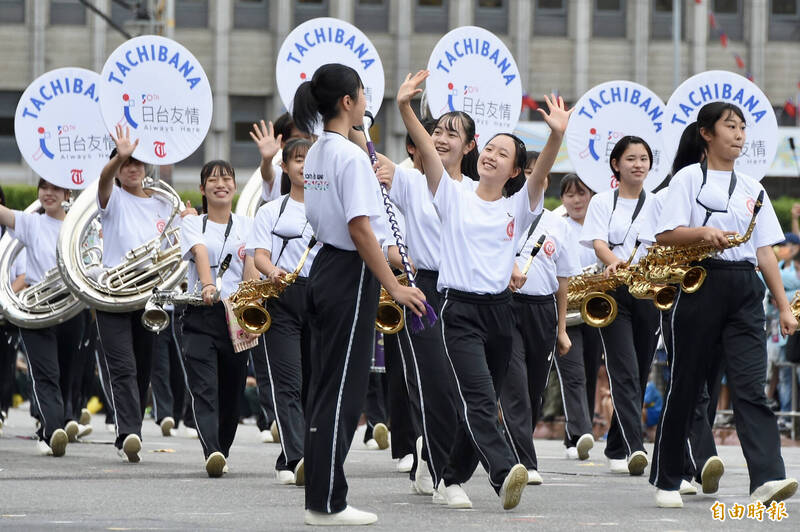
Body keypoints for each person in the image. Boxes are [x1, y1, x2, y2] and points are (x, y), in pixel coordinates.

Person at [397, 69, 568, 510]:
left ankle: (449, 478)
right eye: (489, 148)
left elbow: (543, 171)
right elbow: (432, 158)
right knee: (476, 397)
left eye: (503, 153)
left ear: (515, 170)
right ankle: (501, 470)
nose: (492, 155)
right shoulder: (453, 194)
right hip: (460, 313)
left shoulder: (519, 206)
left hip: (500, 314)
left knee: (485, 401)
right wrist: (405, 110)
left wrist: (555, 137)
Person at [292, 63, 426, 526]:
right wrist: (395, 286)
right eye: (363, 94)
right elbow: (360, 227)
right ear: (348, 102)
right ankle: (327, 502)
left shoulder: (317, 152)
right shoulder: (348, 157)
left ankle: (321, 498)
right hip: (349, 272)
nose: (367, 101)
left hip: (327, 267)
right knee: (343, 393)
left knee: (326, 389)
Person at [649, 102, 799, 508]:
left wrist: (784, 307)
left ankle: (767, 478)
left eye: (742, 128)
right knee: (687, 385)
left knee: (751, 386)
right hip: (699, 282)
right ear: (706, 133)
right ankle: (668, 477)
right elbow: (665, 233)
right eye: (730, 126)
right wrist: (702, 233)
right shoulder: (686, 179)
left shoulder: (754, 188)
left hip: (745, 289)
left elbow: (765, 252)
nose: (739, 135)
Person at [373, 112, 479, 497]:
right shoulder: (411, 182)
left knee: (463, 388)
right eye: (436, 131)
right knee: (434, 385)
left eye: (452, 134)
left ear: (469, 146)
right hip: (425, 292)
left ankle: (430, 458)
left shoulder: (477, 191)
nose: (441, 139)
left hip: (467, 293)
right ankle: (444, 478)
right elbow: (366, 154)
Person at [96, 125, 190, 462]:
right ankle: (128, 433)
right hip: (113, 293)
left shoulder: (165, 204)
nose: (131, 168)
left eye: (136, 162)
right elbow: (104, 182)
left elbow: (177, 246)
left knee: (144, 367)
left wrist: (188, 221)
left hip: (151, 296)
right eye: (125, 163)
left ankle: (130, 429)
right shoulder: (112, 196)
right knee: (122, 366)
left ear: (146, 166)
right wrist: (116, 158)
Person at [580, 135, 661, 476]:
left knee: (641, 370)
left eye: (643, 158)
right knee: (623, 369)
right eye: (630, 158)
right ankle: (635, 447)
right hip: (613, 290)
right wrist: (614, 261)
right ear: (616, 164)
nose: (638, 164)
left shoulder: (658, 203)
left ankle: (615, 443)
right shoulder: (602, 201)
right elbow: (598, 241)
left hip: (647, 291)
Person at [499, 162, 583, 485]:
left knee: (534, 389)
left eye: (540, 172)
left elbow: (562, 283)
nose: (535, 178)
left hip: (543, 311)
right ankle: (524, 460)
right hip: (506, 307)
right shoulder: (503, 213)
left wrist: (562, 329)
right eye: (528, 172)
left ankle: (515, 446)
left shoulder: (558, 225)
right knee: (515, 384)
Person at [246, 137, 317, 485]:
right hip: (281, 298)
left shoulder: (331, 209)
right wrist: (271, 270)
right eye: (298, 159)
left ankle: (289, 456)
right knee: (288, 382)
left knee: (313, 385)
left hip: (321, 302)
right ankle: (299, 457)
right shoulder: (270, 210)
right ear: (285, 167)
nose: (304, 165)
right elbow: (259, 254)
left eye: (310, 159)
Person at [179, 160, 255, 477]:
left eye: (226, 178)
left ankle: (221, 450)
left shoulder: (248, 225)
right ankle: (211, 450)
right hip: (201, 311)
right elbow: (199, 252)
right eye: (212, 179)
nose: (220, 183)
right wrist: (208, 283)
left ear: (235, 187)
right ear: (202, 189)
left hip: (236, 314)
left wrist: (254, 299)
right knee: (205, 388)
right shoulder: (193, 223)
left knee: (232, 391)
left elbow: (250, 267)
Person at [0, 179, 86, 456]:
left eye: (55, 189)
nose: (48, 194)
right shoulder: (31, 223)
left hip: (72, 309)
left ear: (67, 194)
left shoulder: (80, 226)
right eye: (43, 188)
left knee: (65, 373)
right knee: (46, 373)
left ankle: (50, 429)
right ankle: (52, 430)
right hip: (37, 309)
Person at [557, 173, 602, 457]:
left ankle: (574, 434)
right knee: (572, 373)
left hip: (596, 309)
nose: (576, 200)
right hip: (567, 310)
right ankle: (582, 432)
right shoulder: (557, 226)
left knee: (589, 373)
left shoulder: (601, 226)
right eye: (570, 194)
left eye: (581, 193)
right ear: (562, 199)